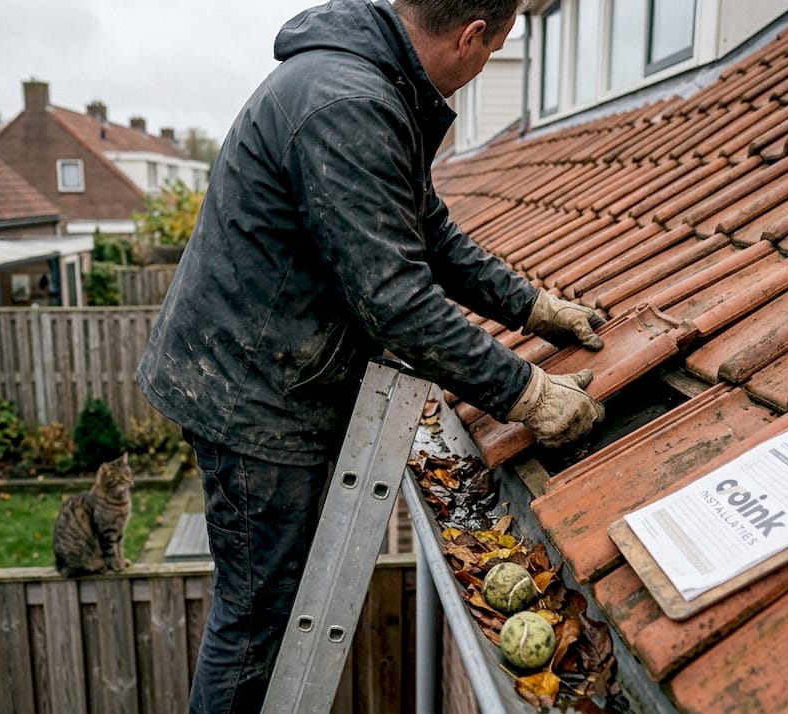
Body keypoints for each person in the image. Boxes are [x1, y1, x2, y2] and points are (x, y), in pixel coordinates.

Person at [135, 0, 606, 710]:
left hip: (265, 377)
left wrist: (532, 307)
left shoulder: (372, 84)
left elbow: (431, 237)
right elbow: (398, 301)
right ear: (472, 36)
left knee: (265, 608)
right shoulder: (347, 104)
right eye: (497, 50)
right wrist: (529, 395)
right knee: (258, 618)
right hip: (253, 399)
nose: (485, 67)